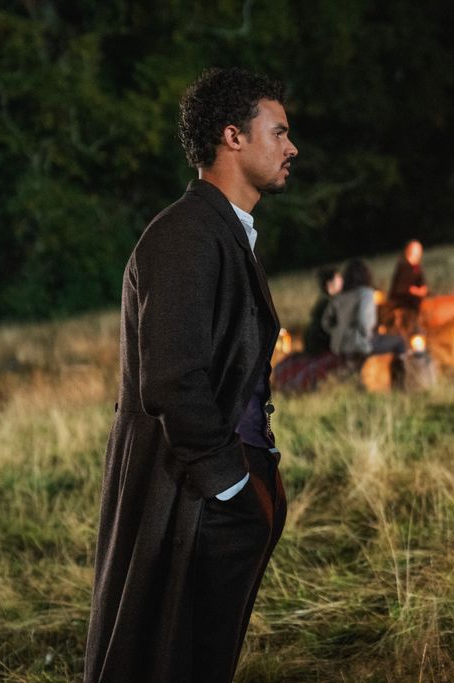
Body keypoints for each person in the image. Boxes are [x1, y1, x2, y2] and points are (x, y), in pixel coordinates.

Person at [84, 67, 296, 682]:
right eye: (278, 132)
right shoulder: (185, 234)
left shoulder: (222, 231)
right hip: (193, 495)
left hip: (219, 489)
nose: (291, 147)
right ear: (233, 136)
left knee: (199, 657)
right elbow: (172, 379)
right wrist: (231, 487)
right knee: (172, 659)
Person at [322, 259, 407, 359]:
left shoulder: (340, 296)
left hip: (339, 346)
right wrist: (368, 334)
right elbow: (365, 322)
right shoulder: (366, 293)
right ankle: (401, 373)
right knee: (400, 342)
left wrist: (338, 332)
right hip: (360, 345)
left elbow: (326, 322)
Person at [387, 239, 428, 334]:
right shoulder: (403, 266)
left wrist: (423, 289)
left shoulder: (417, 267)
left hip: (414, 303)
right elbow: (401, 288)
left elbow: (422, 283)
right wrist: (416, 291)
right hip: (402, 303)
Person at [303, 265, 343, 354]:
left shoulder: (326, 302)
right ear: (329, 285)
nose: (342, 281)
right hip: (321, 349)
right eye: (338, 279)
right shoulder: (329, 304)